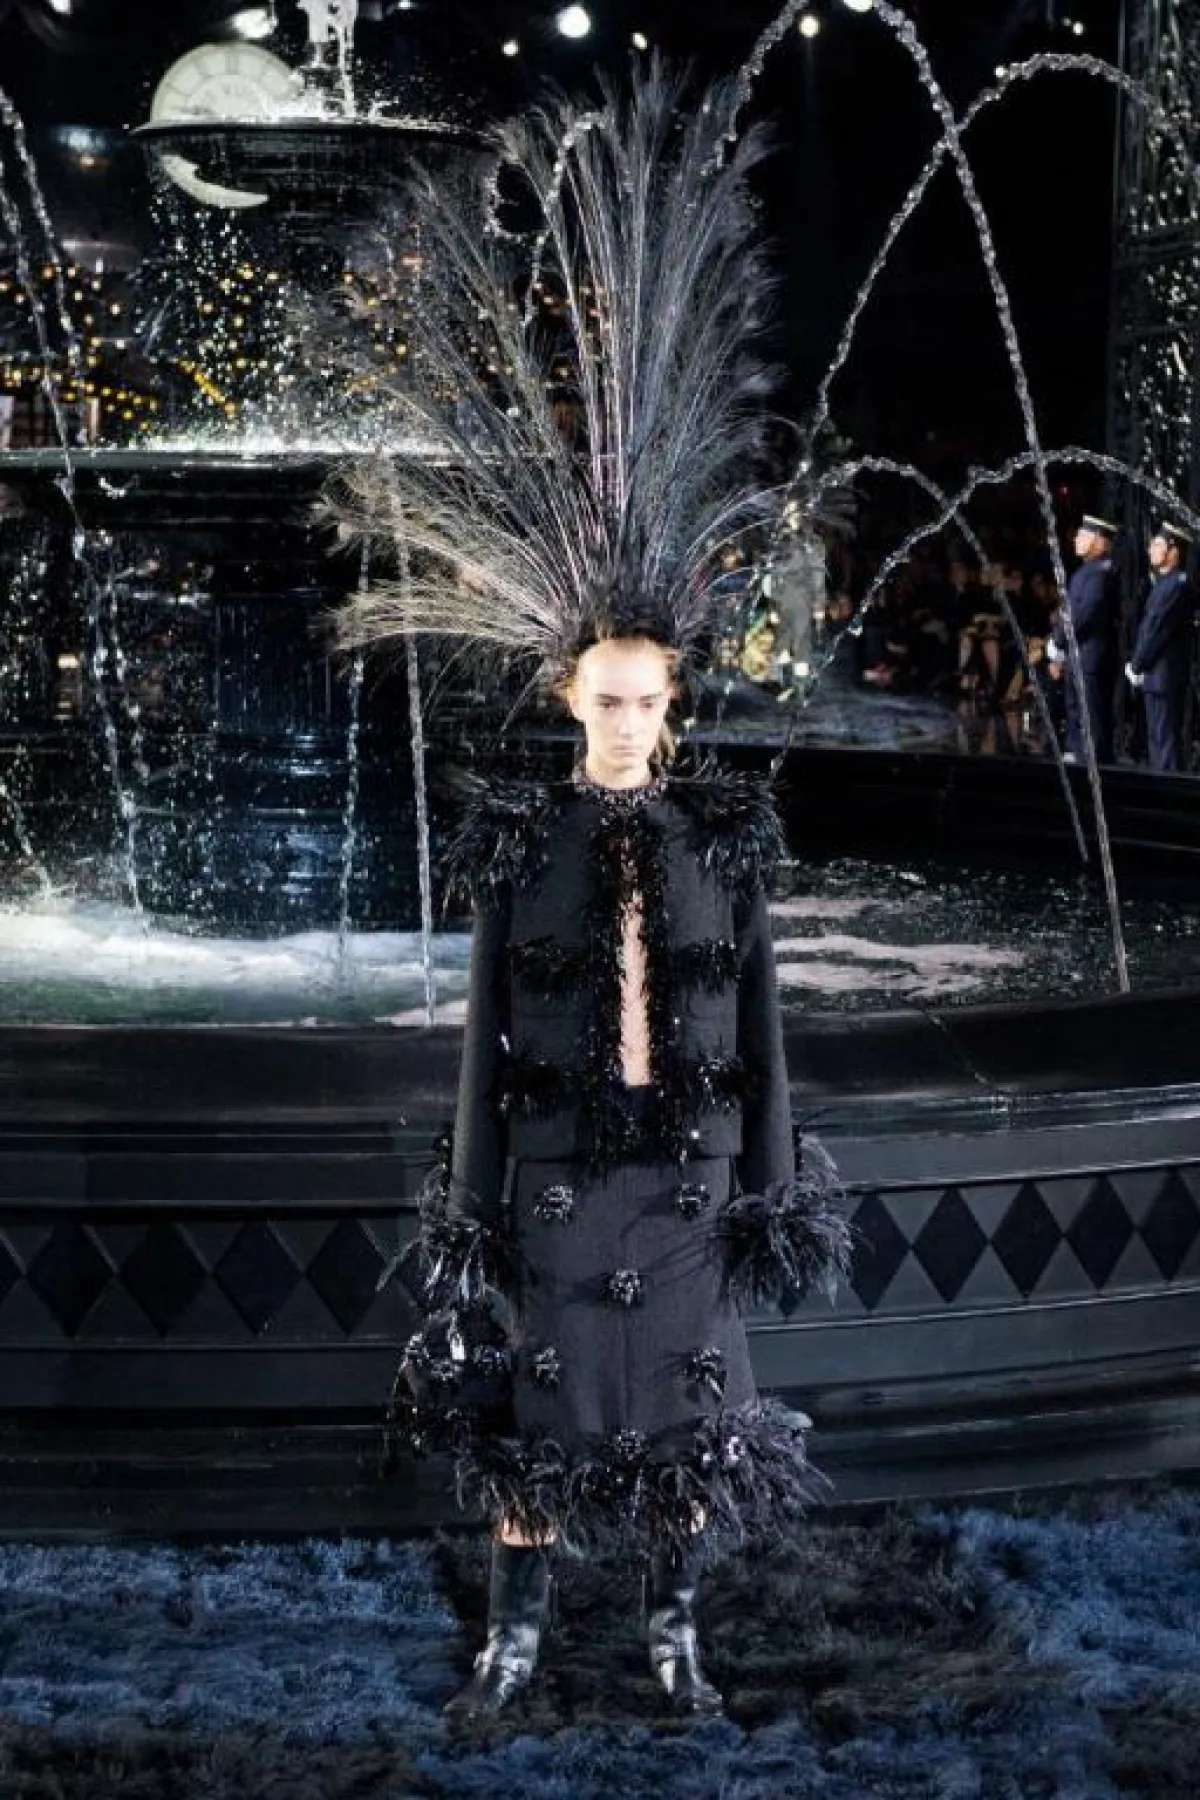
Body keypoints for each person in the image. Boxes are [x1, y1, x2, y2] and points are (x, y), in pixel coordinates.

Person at [332, 64, 850, 1723]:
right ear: (571, 697)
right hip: (556, 1178)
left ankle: (677, 1636)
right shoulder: (519, 840)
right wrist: (476, 1203)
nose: (627, 718)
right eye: (605, 697)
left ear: (672, 704)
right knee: (535, 1419)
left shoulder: (724, 840)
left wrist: (768, 1184)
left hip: (687, 1180)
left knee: (692, 1416)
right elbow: (482, 1034)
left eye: (648, 699)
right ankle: (516, 1638)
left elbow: (763, 1023)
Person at [1048, 514, 1120, 762]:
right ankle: (1079, 755)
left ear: (1099, 540)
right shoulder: (1086, 571)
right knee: (1078, 712)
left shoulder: (1100, 572)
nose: (1076, 539)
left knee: (1091, 716)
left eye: (1083, 535)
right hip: (1079, 655)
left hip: (1091, 656)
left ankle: (1092, 763)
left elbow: (1085, 614)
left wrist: (1058, 640)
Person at [1126, 520, 1194, 771]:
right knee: (1158, 740)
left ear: (1173, 550)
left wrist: (1137, 664)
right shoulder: (1165, 584)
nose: (1150, 550)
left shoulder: (1176, 584)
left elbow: (1156, 630)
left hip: (1164, 674)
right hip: (1157, 675)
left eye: (1157, 544)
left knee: (1165, 744)